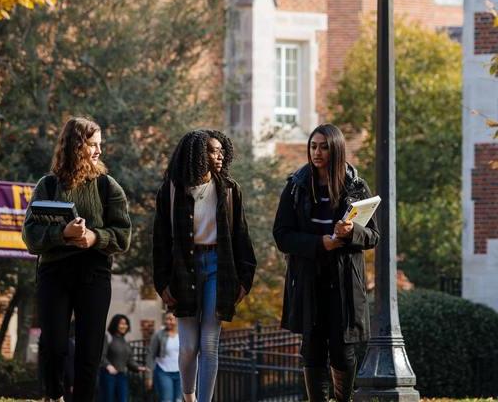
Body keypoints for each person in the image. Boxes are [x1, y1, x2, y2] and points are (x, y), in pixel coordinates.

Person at [22, 116, 132, 402]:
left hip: (93, 271)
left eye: (100, 145)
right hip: (53, 272)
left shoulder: (109, 187)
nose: (98, 151)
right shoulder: (46, 186)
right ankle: (54, 396)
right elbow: (30, 236)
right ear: (75, 146)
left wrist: (94, 238)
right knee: (54, 344)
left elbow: (123, 235)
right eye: (92, 145)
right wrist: (63, 233)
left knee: (89, 349)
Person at [272, 123, 380, 402]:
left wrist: (351, 232)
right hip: (308, 277)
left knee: (343, 349)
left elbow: (373, 236)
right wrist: (320, 243)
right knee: (312, 348)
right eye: (313, 146)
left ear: (336, 150)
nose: (317, 152)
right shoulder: (296, 186)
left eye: (324, 147)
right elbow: (282, 236)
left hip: (344, 281)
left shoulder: (356, 186)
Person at [152, 129, 257, 402]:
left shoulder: (229, 190)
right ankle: (189, 397)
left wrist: (244, 280)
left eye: (222, 150)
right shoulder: (171, 191)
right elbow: (160, 241)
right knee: (188, 347)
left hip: (218, 267)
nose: (219, 156)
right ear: (197, 155)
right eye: (212, 151)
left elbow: (241, 238)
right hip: (183, 270)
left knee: (209, 344)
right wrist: (161, 283)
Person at [98, 314, 147, 402]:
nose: (124, 326)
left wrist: (138, 367)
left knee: (123, 400)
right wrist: (108, 366)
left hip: (121, 375)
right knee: (108, 399)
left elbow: (129, 360)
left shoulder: (125, 341)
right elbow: (101, 355)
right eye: (121, 323)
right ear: (115, 324)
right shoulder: (108, 337)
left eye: (126, 324)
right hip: (108, 375)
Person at [146, 312, 182, 402]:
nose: (168, 322)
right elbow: (151, 355)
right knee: (167, 400)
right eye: (166, 319)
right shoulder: (158, 335)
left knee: (179, 400)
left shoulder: (182, 334)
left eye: (171, 319)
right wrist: (149, 376)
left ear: (177, 320)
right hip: (163, 371)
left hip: (181, 373)